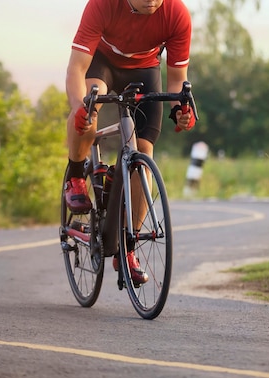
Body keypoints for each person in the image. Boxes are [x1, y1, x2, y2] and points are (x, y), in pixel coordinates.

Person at [64, 0, 195, 285]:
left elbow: (176, 79)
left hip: (145, 69)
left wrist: (180, 111)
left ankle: (128, 250)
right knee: (90, 105)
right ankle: (75, 175)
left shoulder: (176, 13)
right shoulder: (102, 5)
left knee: (144, 152)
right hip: (102, 63)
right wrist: (78, 108)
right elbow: (76, 67)